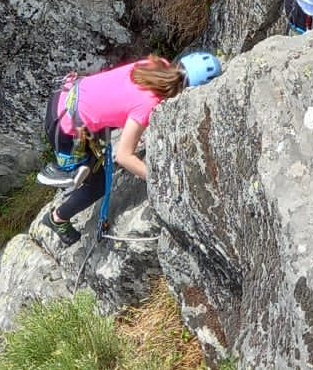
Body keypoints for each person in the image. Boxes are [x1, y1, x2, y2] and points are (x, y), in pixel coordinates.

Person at [36, 51, 222, 245]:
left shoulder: (157, 65)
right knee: (97, 186)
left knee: (94, 164)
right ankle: (57, 219)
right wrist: (159, 181)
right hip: (65, 127)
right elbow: (124, 156)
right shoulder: (149, 103)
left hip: (65, 96)